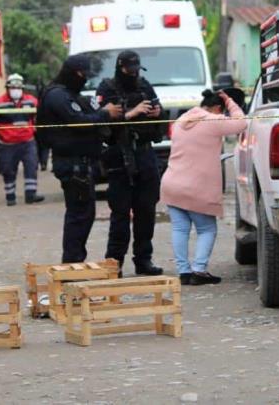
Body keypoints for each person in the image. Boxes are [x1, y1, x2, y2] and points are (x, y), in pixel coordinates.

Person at [37, 54, 123, 263]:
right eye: (82, 75)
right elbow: (77, 121)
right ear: (74, 73)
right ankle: (72, 264)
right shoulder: (57, 95)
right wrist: (105, 114)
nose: (84, 79)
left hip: (81, 163)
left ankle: (74, 261)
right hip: (72, 164)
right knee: (79, 216)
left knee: (84, 214)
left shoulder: (70, 94)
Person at [160, 89, 246, 285]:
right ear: (217, 108)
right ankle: (199, 270)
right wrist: (230, 101)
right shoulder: (211, 120)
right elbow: (241, 122)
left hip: (172, 183)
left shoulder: (183, 119)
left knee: (180, 229)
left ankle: (183, 272)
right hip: (196, 187)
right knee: (206, 229)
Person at [96, 50, 166, 276]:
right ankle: (113, 264)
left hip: (144, 156)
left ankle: (143, 260)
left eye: (136, 69)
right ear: (120, 68)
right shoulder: (107, 88)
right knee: (120, 215)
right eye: (130, 70)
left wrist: (157, 113)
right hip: (120, 157)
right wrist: (130, 113)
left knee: (146, 212)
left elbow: (160, 120)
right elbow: (100, 124)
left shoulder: (144, 85)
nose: (134, 74)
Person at [0, 74, 43, 206]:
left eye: (18, 87)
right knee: (8, 170)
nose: (16, 89)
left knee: (31, 167)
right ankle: (10, 196)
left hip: (28, 142)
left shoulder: (31, 101)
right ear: (7, 88)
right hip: (7, 144)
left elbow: (41, 113)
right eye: (13, 87)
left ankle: (31, 195)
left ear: (22, 88)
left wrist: (36, 126)